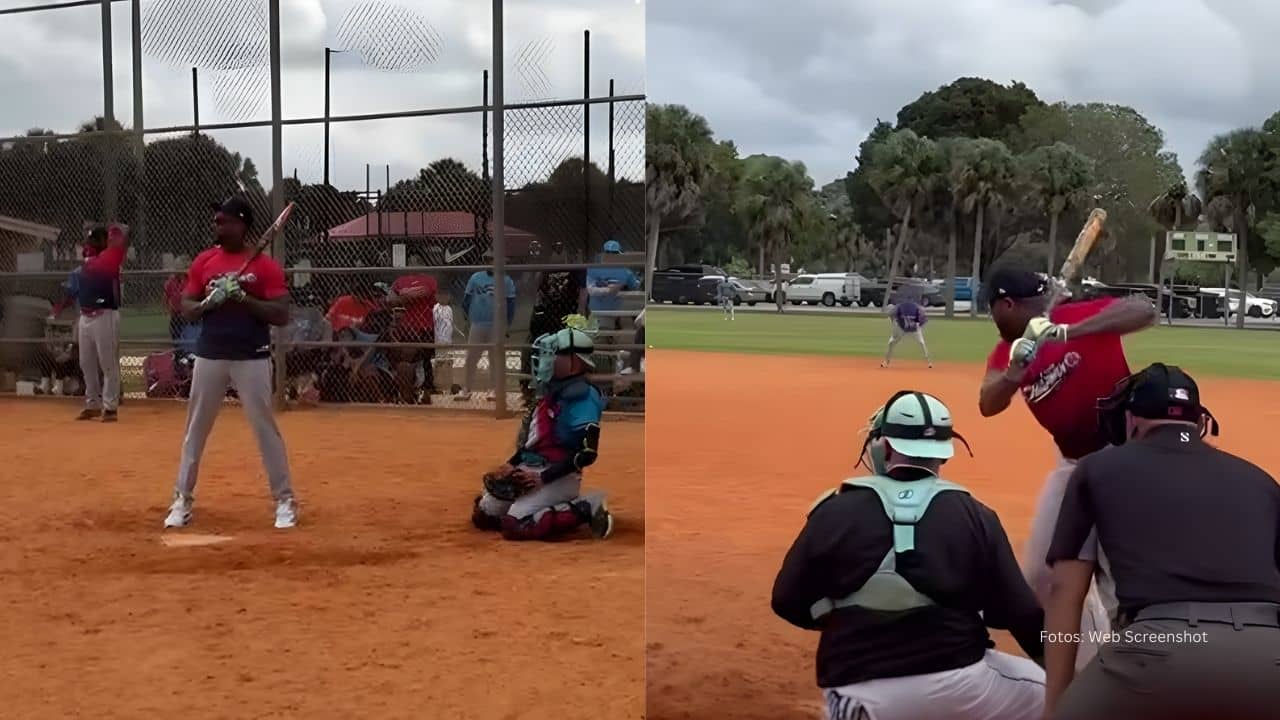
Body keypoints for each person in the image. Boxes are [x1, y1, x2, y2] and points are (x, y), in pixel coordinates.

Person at [772, 390, 1046, 720]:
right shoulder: (974, 514)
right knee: (1056, 693)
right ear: (944, 454)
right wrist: (1059, 667)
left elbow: (786, 599)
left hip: (856, 692)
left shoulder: (834, 511)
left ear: (883, 446)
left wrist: (848, 620)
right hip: (960, 686)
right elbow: (1022, 613)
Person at [1044, 363, 1280, 720]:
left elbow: (1065, 591)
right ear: (1199, 423)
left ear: (1130, 421)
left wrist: (1055, 706)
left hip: (1160, 648)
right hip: (1269, 657)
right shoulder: (1261, 481)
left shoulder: (1097, 470)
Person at [978, 264, 1156, 669]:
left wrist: (1066, 333)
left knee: (1122, 582)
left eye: (993, 310)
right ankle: (1089, 668)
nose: (993, 319)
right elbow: (987, 403)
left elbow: (1145, 309)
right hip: (1072, 465)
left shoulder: (1077, 315)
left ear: (1007, 304)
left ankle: (1138, 670)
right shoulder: (1008, 348)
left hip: (1122, 460)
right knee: (1040, 579)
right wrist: (1012, 375)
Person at [163, 197, 298, 530]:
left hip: (251, 356)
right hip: (210, 354)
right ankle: (182, 498)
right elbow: (187, 307)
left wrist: (243, 298)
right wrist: (210, 301)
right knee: (195, 429)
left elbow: (281, 315)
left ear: (242, 225)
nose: (219, 227)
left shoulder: (264, 267)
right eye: (217, 222)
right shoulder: (205, 261)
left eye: (226, 222)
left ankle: (284, 500)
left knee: (264, 428)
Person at [470, 325, 613, 541]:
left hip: (559, 474)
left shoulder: (584, 398)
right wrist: (512, 463)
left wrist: (542, 478)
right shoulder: (549, 390)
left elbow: (586, 454)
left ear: (575, 362)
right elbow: (532, 441)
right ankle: (541, 503)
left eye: (554, 354)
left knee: (515, 524)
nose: (546, 359)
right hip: (531, 468)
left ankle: (587, 507)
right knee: (485, 516)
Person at [65, 222, 128, 422]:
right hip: (86, 316)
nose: (89, 243)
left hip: (105, 314)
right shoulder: (88, 261)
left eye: (94, 240)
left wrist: (113, 232)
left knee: (107, 364)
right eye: (89, 240)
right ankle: (92, 403)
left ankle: (110, 407)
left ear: (104, 242)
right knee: (86, 362)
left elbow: (122, 235)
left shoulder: (109, 259)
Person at [457, 268, 517, 401]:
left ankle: (494, 389)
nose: (490, 262)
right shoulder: (476, 277)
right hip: (478, 322)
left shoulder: (506, 280)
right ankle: (466, 388)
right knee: (471, 358)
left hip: (497, 324)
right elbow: (466, 300)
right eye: (488, 258)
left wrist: (507, 324)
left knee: (495, 359)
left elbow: (511, 304)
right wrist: (468, 318)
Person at [584, 239, 640, 330]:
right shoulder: (595, 269)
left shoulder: (624, 271)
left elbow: (635, 286)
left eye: (613, 254)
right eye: (610, 253)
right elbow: (591, 290)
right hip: (601, 310)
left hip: (611, 309)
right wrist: (610, 289)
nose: (612, 256)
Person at [882, 298, 931, 368]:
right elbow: (891, 314)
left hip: (914, 330)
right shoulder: (900, 307)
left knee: (921, 343)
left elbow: (924, 320)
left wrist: (919, 326)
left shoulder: (917, 309)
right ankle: (886, 361)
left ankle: (928, 361)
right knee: (891, 343)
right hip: (902, 329)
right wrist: (894, 322)